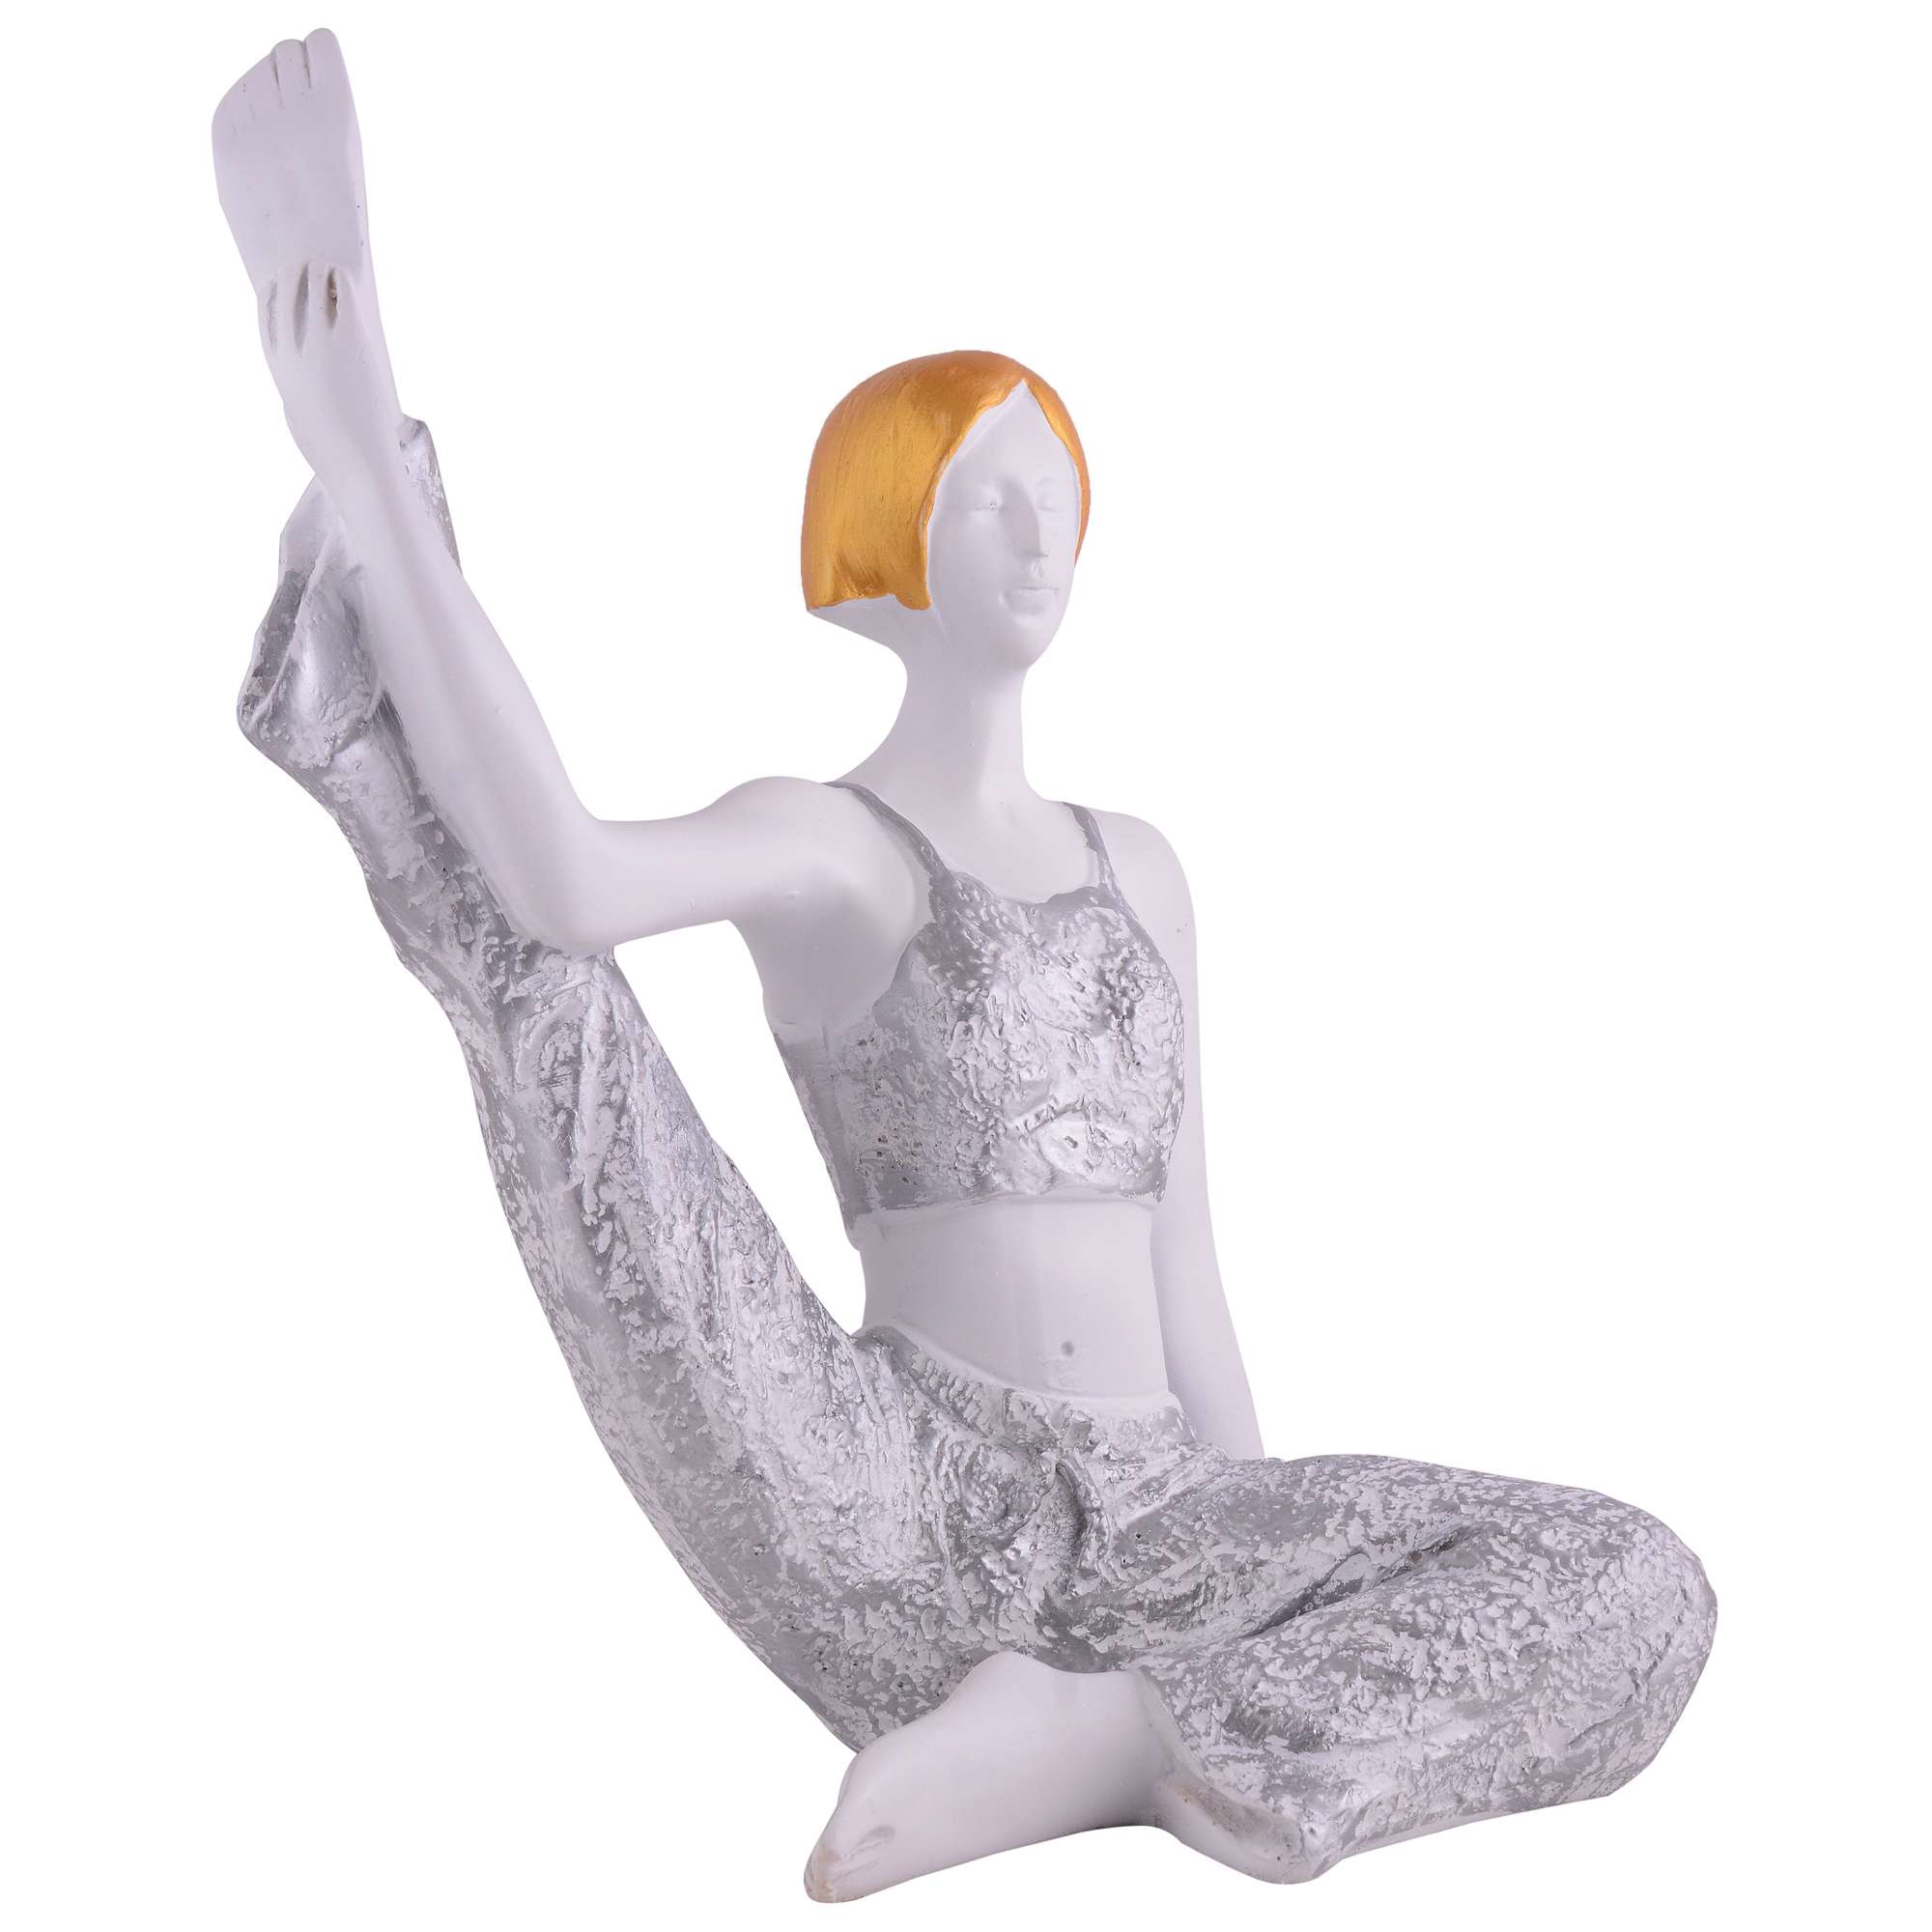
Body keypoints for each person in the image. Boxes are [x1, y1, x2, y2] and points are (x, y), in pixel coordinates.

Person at [217, 30, 1716, 1902]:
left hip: (1167, 1527)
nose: (1039, 532)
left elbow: (1185, 1256)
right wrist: (368, 454)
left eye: (1056, 492)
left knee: (1642, 1587)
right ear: (890, 531)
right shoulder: (834, 843)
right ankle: (378, 580)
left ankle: (1118, 1738)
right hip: (894, 1496)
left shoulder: (1144, 868)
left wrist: (1258, 1576)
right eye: (989, 497)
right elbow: (567, 879)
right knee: (549, 995)